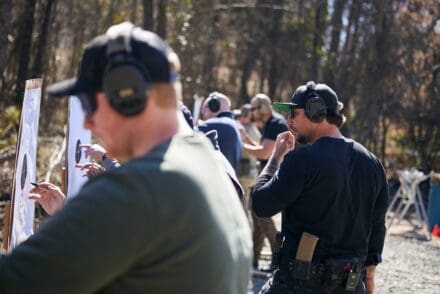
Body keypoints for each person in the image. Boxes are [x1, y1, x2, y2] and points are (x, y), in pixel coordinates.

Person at [0, 22, 252, 293]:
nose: (87, 122)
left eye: (89, 104)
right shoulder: (210, 164)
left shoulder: (142, 186)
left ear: (126, 94)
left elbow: (17, 282)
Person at [252, 81, 389, 293]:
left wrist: (275, 158)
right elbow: (378, 225)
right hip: (350, 287)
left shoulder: (302, 160)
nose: (288, 121)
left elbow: (260, 204)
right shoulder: (373, 163)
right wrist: (369, 278)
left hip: (299, 285)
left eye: (294, 113)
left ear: (315, 112)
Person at [242, 93, 288, 269]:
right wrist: (247, 139)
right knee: (257, 213)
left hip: (274, 174)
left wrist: (241, 145)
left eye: (254, 108)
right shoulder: (271, 124)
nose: (252, 111)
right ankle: (254, 258)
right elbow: (263, 148)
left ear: (263, 108)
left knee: (261, 212)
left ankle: (278, 255)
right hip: (272, 173)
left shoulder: (275, 123)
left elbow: (264, 153)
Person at [198, 91, 243, 171]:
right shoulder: (232, 124)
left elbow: (185, 134)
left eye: (204, 108)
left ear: (214, 106)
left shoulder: (222, 124)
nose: (202, 113)